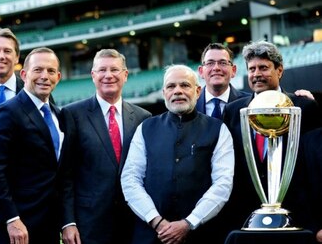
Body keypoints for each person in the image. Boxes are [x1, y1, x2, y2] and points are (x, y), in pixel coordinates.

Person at [121, 64, 235, 244]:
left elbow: (223, 184)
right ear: (164, 92)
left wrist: (189, 223)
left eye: (185, 85)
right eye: (171, 86)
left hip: (201, 235)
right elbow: (130, 179)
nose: (178, 91)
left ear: (198, 91)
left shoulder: (218, 129)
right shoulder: (146, 128)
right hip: (151, 235)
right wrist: (157, 221)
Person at [222, 40, 322, 236]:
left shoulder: (303, 107)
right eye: (252, 69)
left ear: (280, 71)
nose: (257, 74)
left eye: (264, 68)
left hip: (299, 218)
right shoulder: (233, 111)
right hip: (248, 219)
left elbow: (317, 170)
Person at [60, 49, 151, 244]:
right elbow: (65, 175)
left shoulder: (143, 117)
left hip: (133, 222)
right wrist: (68, 222)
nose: (108, 75)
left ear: (125, 75)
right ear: (93, 75)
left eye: (114, 70)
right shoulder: (72, 115)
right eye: (102, 70)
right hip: (89, 224)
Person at [0, 47, 64, 244]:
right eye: (38, 70)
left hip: (49, 225)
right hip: (17, 228)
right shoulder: (6, 113)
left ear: (58, 77)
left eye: (51, 71)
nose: (45, 76)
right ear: (24, 74)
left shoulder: (59, 115)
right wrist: (11, 218)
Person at [196, 43, 249, 118]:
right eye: (210, 63)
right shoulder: (190, 105)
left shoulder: (249, 104)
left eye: (223, 63)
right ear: (201, 72)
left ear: (233, 70)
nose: (216, 68)